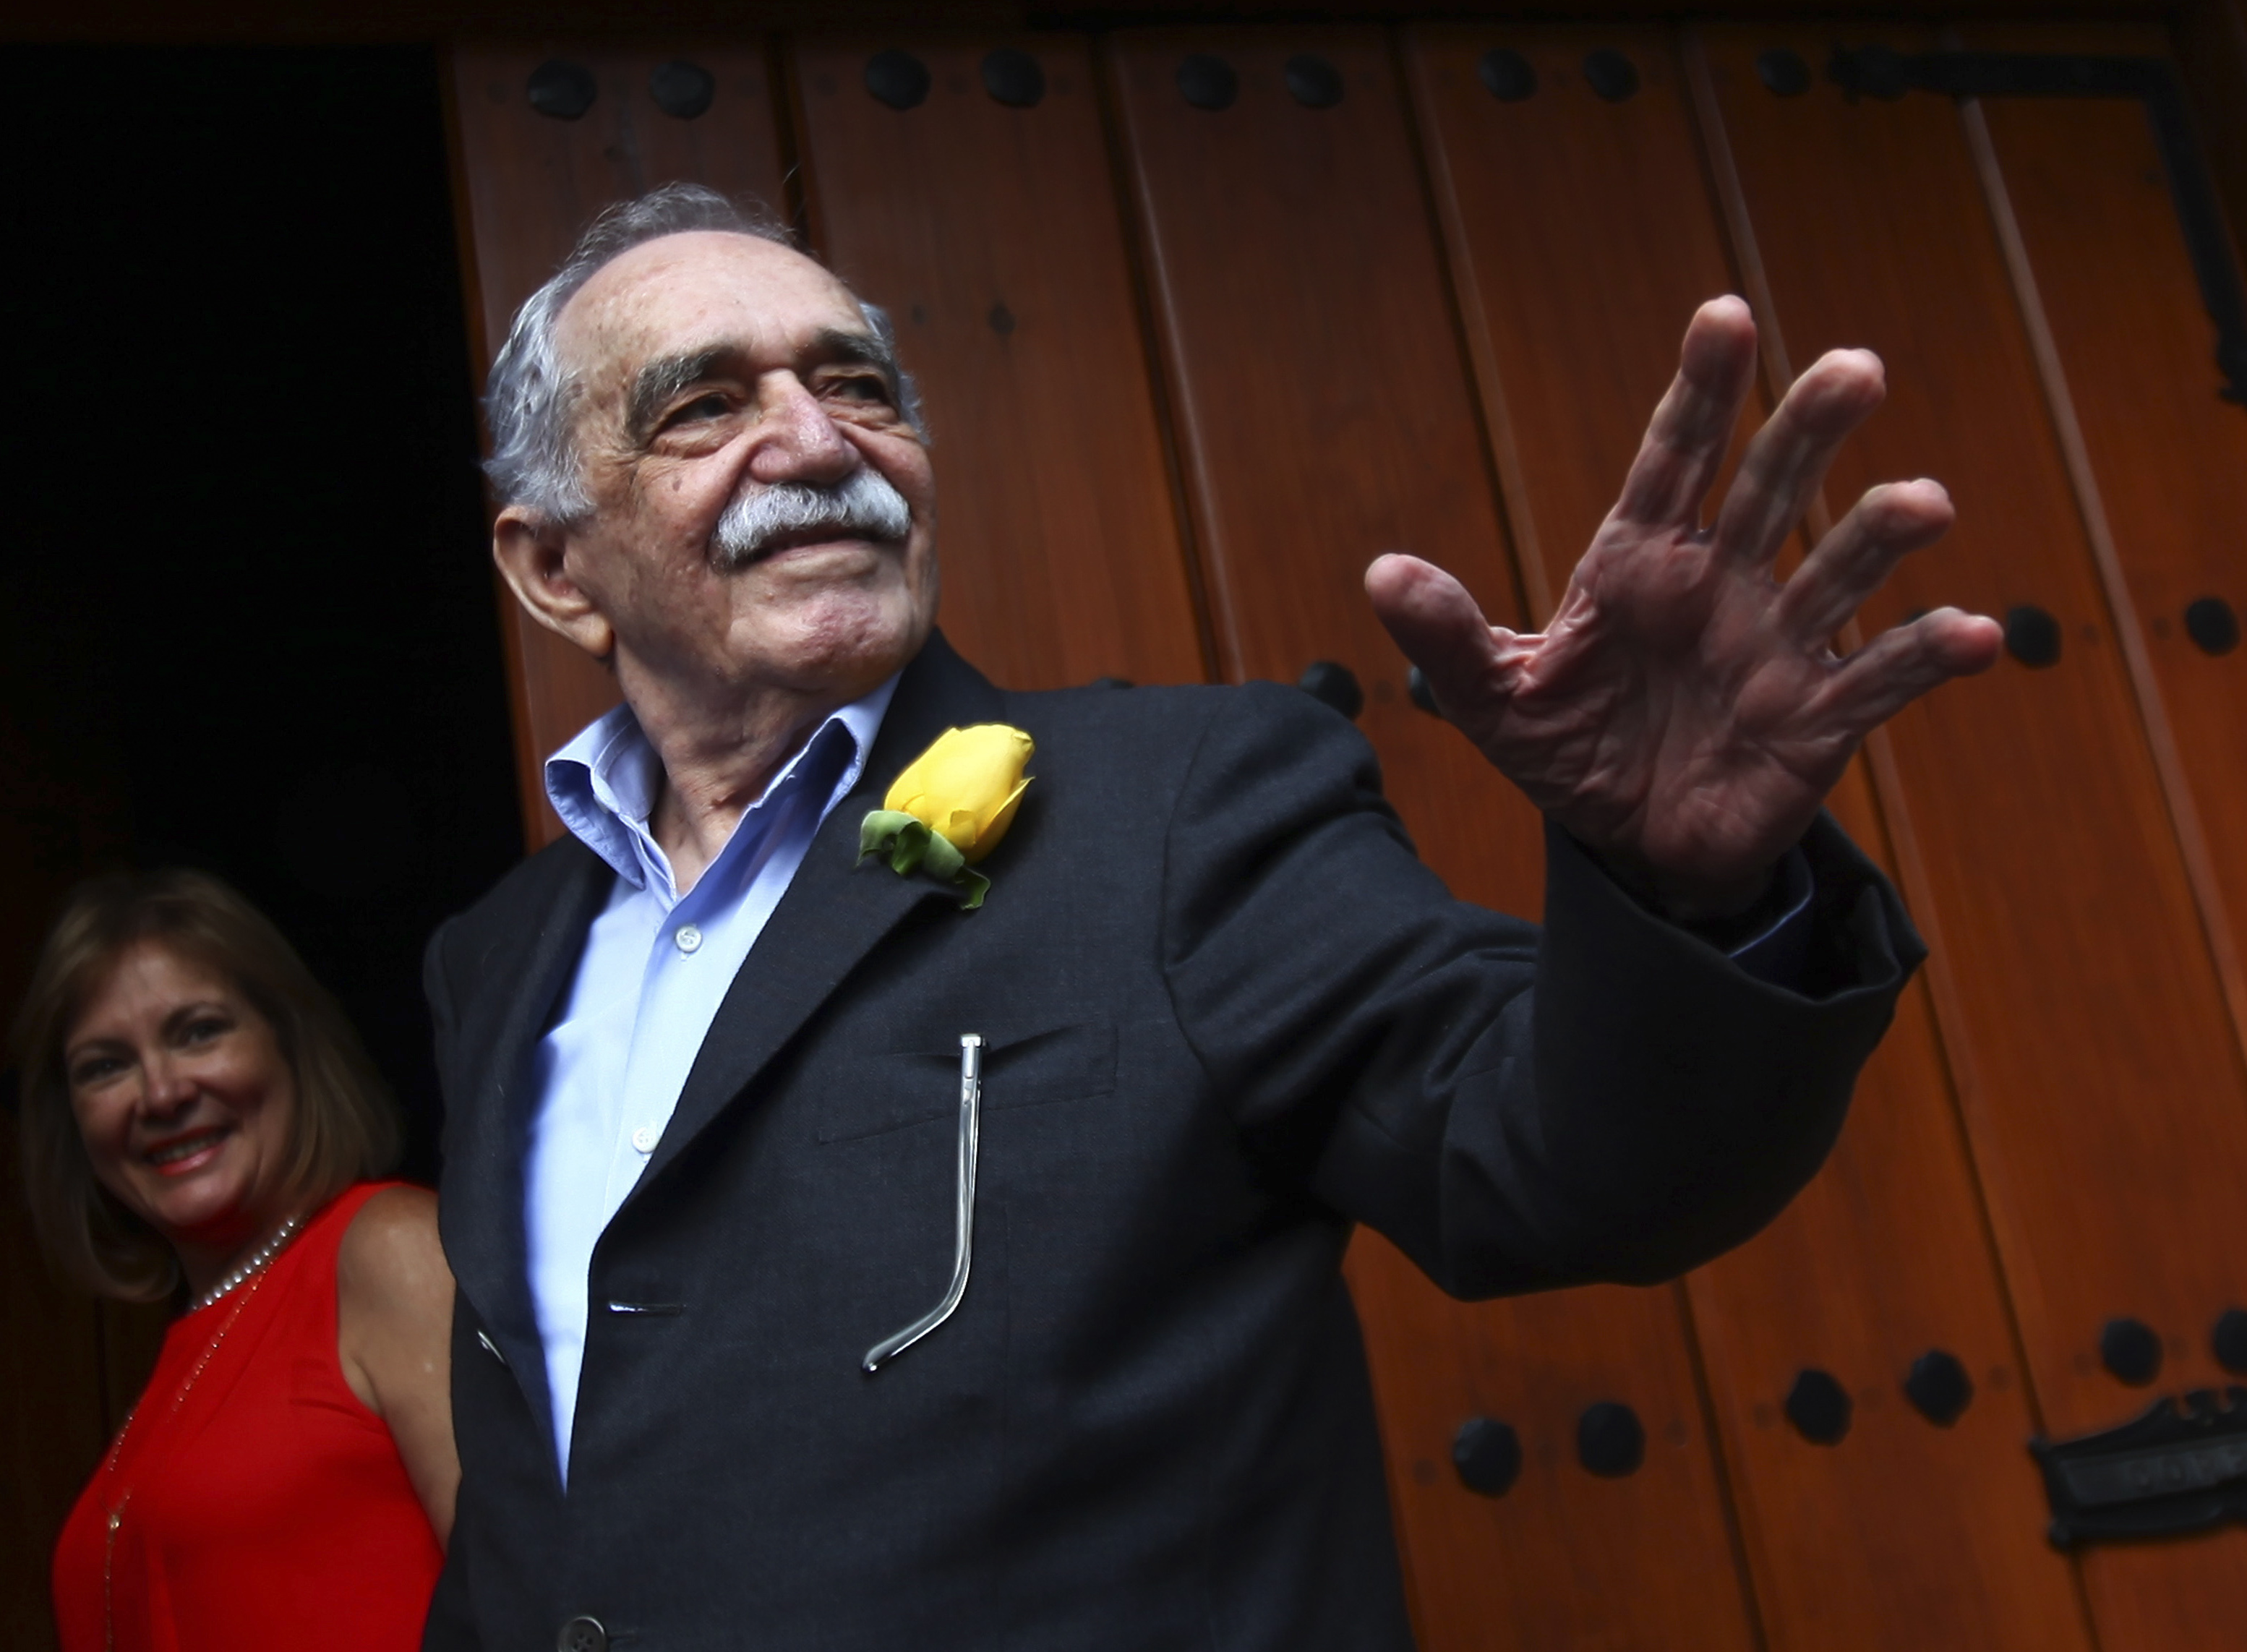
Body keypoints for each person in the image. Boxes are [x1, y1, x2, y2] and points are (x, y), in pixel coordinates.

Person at [424, 184, 2000, 1651]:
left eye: (856, 388)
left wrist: (1685, 888)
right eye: (704, 406)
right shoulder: (494, 963)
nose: (813, 441)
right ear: (556, 567)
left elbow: (1559, 1162)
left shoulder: (1179, 803)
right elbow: (533, 1500)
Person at [14, 870, 459, 1652]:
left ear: (289, 1042)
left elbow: (547, 1599)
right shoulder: (185, 1349)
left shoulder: (385, 1250)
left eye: (198, 1031)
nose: (159, 1093)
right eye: (105, 1066)